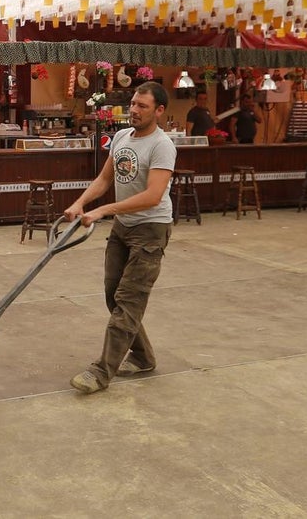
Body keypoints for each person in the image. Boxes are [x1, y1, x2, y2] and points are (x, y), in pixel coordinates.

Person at [63, 81, 176, 394]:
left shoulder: (162, 145)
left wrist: (105, 210)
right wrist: (81, 203)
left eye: (143, 106)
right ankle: (142, 356)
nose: (134, 111)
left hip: (151, 229)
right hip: (123, 228)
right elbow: (104, 179)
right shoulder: (122, 137)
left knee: (128, 300)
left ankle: (101, 372)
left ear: (159, 110)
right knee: (113, 294)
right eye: (133, 104)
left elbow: (153, 196)